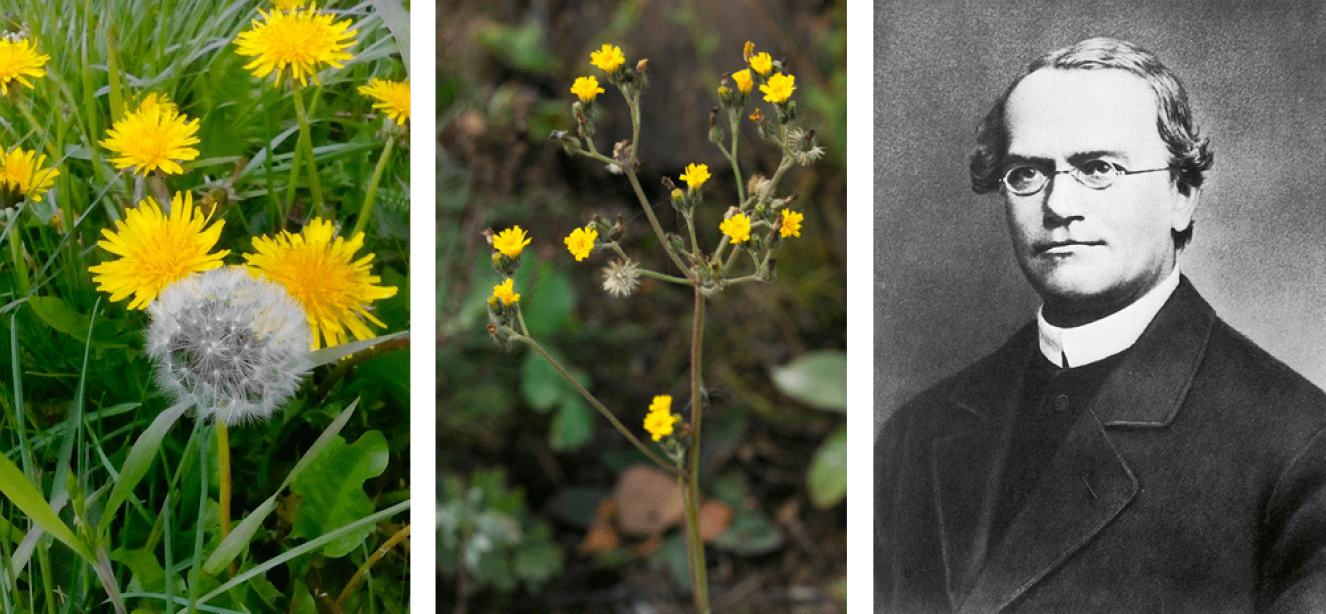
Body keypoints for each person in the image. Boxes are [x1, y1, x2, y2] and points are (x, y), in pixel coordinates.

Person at [875, 37, 1326, 613]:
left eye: (1098, 169)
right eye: (1027, 174)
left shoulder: (1300, 446)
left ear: (1182, 194)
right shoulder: (916, 433)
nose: (1059, 203)